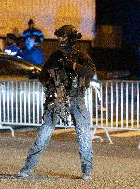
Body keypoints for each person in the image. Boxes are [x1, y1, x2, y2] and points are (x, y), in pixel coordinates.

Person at [17, 25, 96, 180]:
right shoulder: (55, 56)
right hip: (57, 98)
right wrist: (52, 87)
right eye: (60, 37)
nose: (61, 40)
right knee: (43, 135)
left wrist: (72, 66)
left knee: (84, 135)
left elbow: (90, 71)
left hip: (76, 99)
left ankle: (87, 171)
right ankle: (27, 168)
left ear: (71, 39)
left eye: (64, 37)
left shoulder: (81, 55)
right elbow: (43, 76)